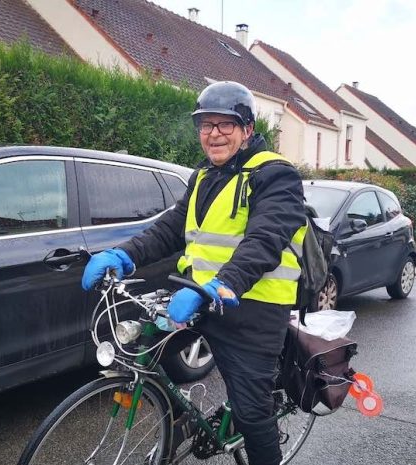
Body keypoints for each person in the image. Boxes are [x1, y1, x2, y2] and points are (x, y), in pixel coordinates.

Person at [81, 81, 307, 465]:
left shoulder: (275, 175)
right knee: (141, 349)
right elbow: (170, 228)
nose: (214, 134)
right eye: (206, 125)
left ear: (247, 129)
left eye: (226, 125)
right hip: (202, 296)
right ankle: (180, 421)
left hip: (253, 308)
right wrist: (124, 254)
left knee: (252, 415)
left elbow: (266, 240)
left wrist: (220, 285)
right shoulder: (203, 175)